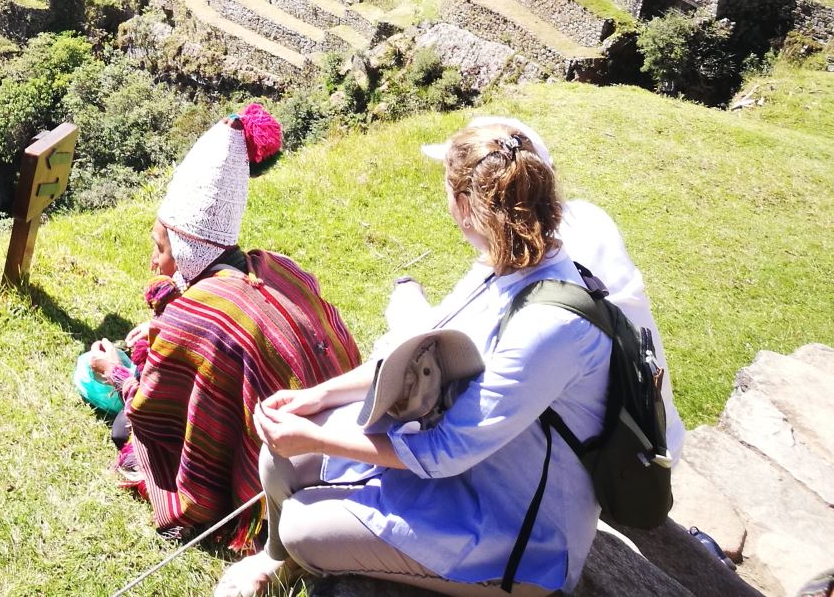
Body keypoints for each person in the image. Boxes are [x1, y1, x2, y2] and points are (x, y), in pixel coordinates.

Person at [219, 121, 612, 596]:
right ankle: (278, 561)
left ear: (465, 206)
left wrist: (318, 434)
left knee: (303, 526)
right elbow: (415, 351)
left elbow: (445, 451)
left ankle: (306, 552)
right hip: (471, 474)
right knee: (281, 459)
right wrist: (314, 398)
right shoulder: (501, 265)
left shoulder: (550, 326)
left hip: (515, 537)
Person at [86, 108, 359, 550]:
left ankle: (234, 496)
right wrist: (164, 327)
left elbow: (148, 407)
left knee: (125, 429)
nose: (155, 262)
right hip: (346, 428)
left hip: (292, 462)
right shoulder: (273, 267)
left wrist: (114, 370)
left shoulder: (195, 315)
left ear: (188, 252)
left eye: (160, 249)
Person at [401, 116, 683, 457]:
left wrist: (407, 299)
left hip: (608, 467)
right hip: (651, 433)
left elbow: (446, 352)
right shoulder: (586, 221)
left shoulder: (536, 278)